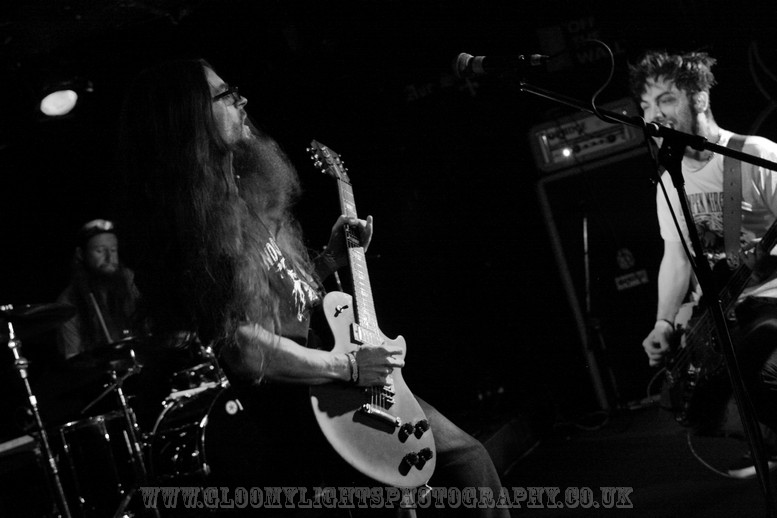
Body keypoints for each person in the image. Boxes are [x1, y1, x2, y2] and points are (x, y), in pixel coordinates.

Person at [115, 58, 509, 516]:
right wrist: (348, 366)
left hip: (334, 379)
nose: (242, 100)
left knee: (466, 462)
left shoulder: (238, 199)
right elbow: (243, 348)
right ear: (187, 116)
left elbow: (280, 305)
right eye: (225, 94)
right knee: (448, 473)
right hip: (300, 402)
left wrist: (327, 261)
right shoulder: (190, 225)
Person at [632, 50, 777, 476]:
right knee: (697, 407)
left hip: (771, 298)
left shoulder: (753, 155)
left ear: (699, 98)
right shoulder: (669, 181)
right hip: (725, 306)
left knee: (757, 373)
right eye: (646, 105)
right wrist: (662, 322)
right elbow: (676, 257)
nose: (654, 115)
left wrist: (769, 261)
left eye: (666, 100)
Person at [56, 219, 140, 359]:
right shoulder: (69, 302)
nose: (109, 258)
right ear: (81, 254)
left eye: (113, 250)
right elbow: (74, 358)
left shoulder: (128, 281)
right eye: (99, 251)